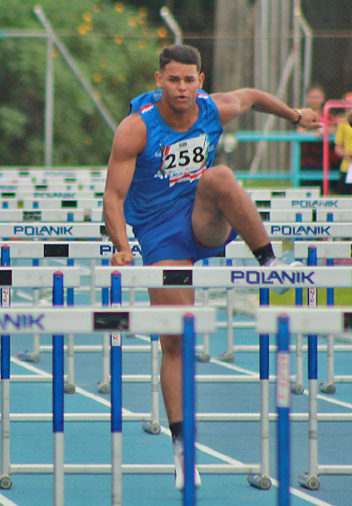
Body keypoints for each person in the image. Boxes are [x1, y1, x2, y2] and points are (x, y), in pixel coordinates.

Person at [102, 44, 321, 491]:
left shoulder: (212, 109)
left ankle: (269, 263)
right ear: (159, 79)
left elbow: (256, 96)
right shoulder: (135, 128)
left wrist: (296, 117)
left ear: (201, 80)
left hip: (203, 220)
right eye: (173, 80)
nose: (181, 88)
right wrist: (122, 247)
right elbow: (113, 197)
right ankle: (183, 450)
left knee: (219, 177)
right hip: (161, 237)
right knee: (176, 342)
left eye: (189, 80)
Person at [297, 84, 341, 192]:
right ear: (307, 98)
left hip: (326, 161)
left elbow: (335, 129)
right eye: (312, 97)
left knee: (327, 192)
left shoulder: (328, 114)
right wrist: (314, 132)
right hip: (307, 161)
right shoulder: (302, 115)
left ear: (323, 98)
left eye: (317, 97)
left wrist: (327, 130)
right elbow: (299, 131)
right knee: (306, 191)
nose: (314, 100)